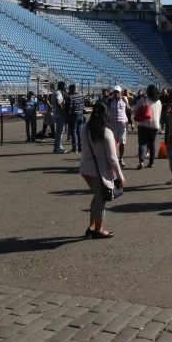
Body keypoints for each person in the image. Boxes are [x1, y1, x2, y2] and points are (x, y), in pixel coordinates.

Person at [79, 101, 123, 239]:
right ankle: (98, 229)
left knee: (96, 197)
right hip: (99, 171)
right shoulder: (106, 131)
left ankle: (92, 227)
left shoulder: (84, 128)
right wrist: (120, 176)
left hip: (86, 168)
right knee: (100, 200)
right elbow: (112, 158)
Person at [133, 85, 163, 169]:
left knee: (142, 143)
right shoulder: (159, 102)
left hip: (143, 124)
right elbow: (160, 113)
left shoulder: (144, 100)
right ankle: (151, 162)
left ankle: (141, 161)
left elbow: (134, 110)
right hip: (155, 125)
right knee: (152, 143)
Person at [105, 85, 131, 166]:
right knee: (113, 144)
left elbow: (128, 108)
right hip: (112, 125)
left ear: (121, 92)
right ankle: (113, 158)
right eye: (115, 92)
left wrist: (135, 112)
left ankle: (121, 159)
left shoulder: (124, 99)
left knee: (122, 142)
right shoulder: (109, 100)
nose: (117, 94)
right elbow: (106, 111)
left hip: (122, 125)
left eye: (118, 92)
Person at [66, 84, 86, 154]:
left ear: (70, 90)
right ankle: (80, 147)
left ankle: (75, 148)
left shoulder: (70, 97)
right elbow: (83, 106)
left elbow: (69, 109)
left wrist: (67, 116)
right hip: (80, 114)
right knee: (79, 131)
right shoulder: (80, 96)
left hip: (74, 115)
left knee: (73, 131)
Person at [50, 81, 68, 154]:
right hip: (59, 114)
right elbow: (58, 102)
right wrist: (63, 111)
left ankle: (57, 146)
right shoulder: (58, 93)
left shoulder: (55, 93)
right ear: (62, 87)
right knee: (59, 132)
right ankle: (58, 147)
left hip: (56, 114)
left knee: (59, 131)